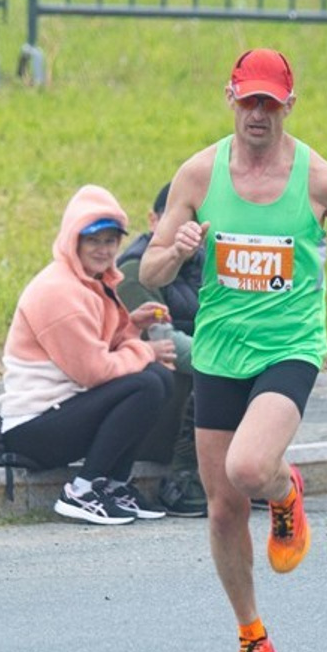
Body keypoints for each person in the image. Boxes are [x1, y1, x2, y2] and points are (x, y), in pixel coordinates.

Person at [140, 48, 327, 652]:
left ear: (288, 106)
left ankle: (284, 491)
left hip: (289, 347)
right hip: (220, 349)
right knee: (222, 508)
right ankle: (253, 640)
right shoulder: (199, 174)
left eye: (270, 104)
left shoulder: (316, 179)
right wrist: (177, 250)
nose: (258, 113)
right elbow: (150, 270)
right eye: (249, 100)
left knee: (247, 469)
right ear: (231, 97)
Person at [0, 183, 176, 526]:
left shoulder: (93, 282)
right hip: (32, 429)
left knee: (157, 378)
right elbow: (95, 371)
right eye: (93, 240)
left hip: (63, 410)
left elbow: (105, 350)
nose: (103, 249)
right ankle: (81, 492)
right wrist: (145, 349)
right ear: (74, 240)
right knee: (147, 384)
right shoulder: (60, 291)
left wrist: (132, 327)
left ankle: (114, 485)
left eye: (110, 240)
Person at [116, 182, 208, 517]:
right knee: (218, 369)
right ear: (153, 220)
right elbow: (168, 343)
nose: (183, 233)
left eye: (192, 224)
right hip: (155, 409)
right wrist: (231, 359)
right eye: (173, 222)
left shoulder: (206, 266)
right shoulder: (133, 272)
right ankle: (185, 476)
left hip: (194, 396)